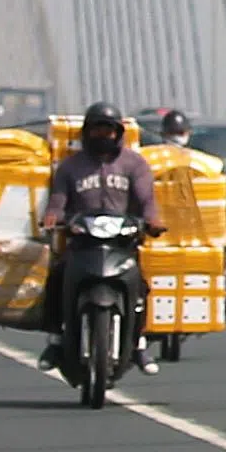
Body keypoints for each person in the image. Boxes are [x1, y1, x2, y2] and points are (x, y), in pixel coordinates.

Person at [38, 104, 158, 379]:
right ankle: (55, 342)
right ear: (86, 132)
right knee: (56, 278)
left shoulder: (134, 164)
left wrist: (152, 221)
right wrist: (52, 217)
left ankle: (139, 343)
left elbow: (147, 199)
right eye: (97, 129)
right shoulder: (71, 167)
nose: (103, 135)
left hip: (122, 241)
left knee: (140, 287)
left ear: (119, 133)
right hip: (83, 242)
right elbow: (58, 200)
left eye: (109, 130)